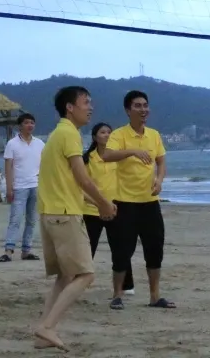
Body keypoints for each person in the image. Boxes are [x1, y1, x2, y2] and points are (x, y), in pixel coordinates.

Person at [32, 85, 117, 352]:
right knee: (85, 275)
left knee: (65, 276)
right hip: (64, 215)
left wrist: (96, 203)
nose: (90, 107)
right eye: (85, 102)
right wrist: (104, 202)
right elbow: (83, 178)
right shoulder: (69, 134)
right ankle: (47, 327)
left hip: (51, 213)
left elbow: (68, 183)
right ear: (70, 107)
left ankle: (43, 334)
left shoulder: (57, 134)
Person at [104, 90, 173, 310]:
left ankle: (155, 296)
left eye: (145, 105)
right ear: (128, 110)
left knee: (155, 249)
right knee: (122, 251)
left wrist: (159, 180)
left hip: (150, 202)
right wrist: (132, 151)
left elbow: (161, 161)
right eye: (137, 106)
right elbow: (107, 155)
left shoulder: (154, 135)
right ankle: (117, 295)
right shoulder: (119, 134)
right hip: (124, 202)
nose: (143, 109)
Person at [80, 122, 134, 295]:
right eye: (103, 132)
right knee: (87, 249)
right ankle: (79, 282)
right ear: (94, 137)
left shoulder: (118, 157)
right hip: (91, 210)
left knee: (121, 248)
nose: (107, 135)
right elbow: (81, 185)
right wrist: (97, 203)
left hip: (116, 208)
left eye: (110, 132)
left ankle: (125, 286)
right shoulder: (86, 159)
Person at [0, 113, 45, 263]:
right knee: (15, 219)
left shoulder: (40, 143)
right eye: (26, 123)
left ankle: (26, 250)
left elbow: (45, 165)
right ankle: (8, 251)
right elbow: (8, 167)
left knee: (31, 220)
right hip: (19, 187)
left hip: (36, 185)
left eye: (32, 122)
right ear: (20, 126)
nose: (30, 125)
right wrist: (9, 188)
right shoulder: (12, 144)